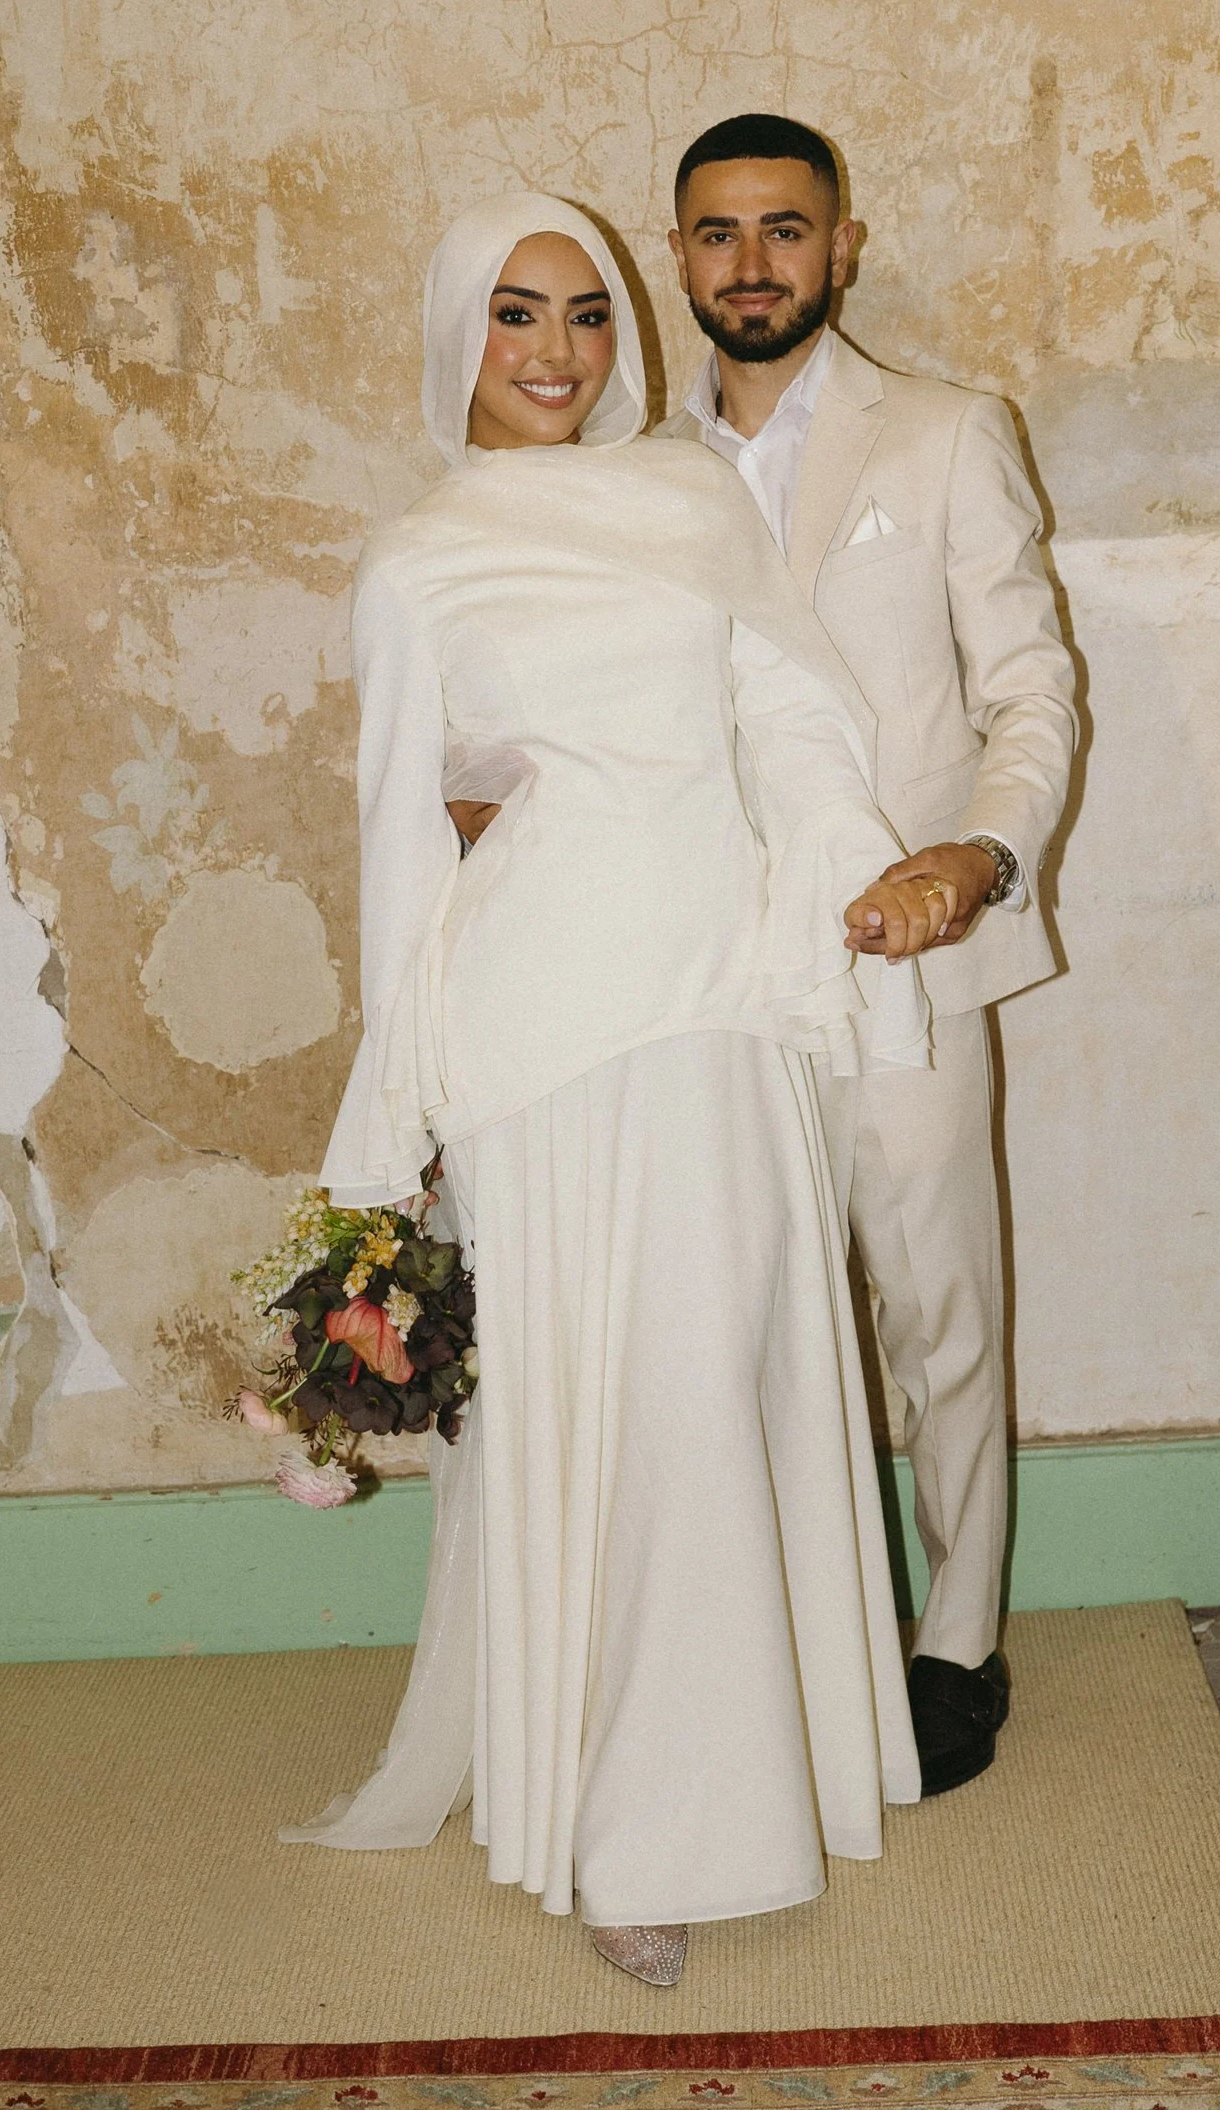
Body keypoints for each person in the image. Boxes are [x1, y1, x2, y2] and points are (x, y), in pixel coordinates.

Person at [286, 191, 937, 1984]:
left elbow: (792, 719)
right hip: (539, 1024)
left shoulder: (688, 496)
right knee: (615, 1404)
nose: (557, 349)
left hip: (718, 994)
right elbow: (399, 849)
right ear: (459, 337)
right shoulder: (415, 561)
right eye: (516, 313)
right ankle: (629, 1836)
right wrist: (391, 1123)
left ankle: (731, 1784)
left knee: (713, 1376)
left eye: (584, 312)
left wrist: (857, 881)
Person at [666, 112, 1079, 1798]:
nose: (752, 260)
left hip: (913, 951)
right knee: (750, 1321)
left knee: (939, 1315)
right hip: (716, 974)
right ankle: (804, 1634)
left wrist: (978, 858)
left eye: (786, 227)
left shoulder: (948, 433)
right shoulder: (638, 477)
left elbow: (1031, 689)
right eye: (718, 231)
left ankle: (956, 1643)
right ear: (678, 255)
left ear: (843, 245)